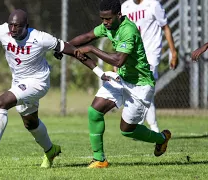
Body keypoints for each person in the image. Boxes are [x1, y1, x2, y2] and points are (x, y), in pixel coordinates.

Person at [0, 9, 107, 169]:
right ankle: (50, 150)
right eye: (11, 25)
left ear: (27, 27)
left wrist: (99, 72)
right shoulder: (2, 31)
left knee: (2, 102)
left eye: (17, 26)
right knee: (30, 123)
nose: (13, 29)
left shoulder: (40, 38)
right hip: (19, 83)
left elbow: (74, 51)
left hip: (38, 82)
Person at [64, 0, 171, 168]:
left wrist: (92, 49)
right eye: (102, 19)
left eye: (108, 19)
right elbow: (87, 36)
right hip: (121, 79)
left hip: (140, 85)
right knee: (94, 111)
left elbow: (118, 60)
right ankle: (99, 159)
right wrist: (63, 47)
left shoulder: (128, 29)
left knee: (127, 130)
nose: (105, 23)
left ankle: (162, 138)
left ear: (119, 15)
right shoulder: (108, 26)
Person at [120, 0, 178, 133]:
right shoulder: (125, 7)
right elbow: (121, 33)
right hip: (133, 55)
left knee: (145, 88)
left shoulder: (153, 5)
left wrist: (173, 52)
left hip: (151, 54)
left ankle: (152, 128)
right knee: (136, 90)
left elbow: (166, 27)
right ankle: (139, 126)